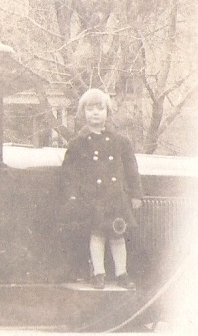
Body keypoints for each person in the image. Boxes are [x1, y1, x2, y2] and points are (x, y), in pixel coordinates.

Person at [60, 88, 143, 289]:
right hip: (92, 198)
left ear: (108, 112)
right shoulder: (77, 144)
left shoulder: (121, 142)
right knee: (96, 234)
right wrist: (72, 196)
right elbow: (69, 173)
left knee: (117, 234)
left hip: (115, 197)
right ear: (82, 113)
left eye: (100, 108)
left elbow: (131, 170)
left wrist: (136, 195)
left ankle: (122, 273)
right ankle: (98, 274)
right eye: (90, 109)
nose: (95, 113)